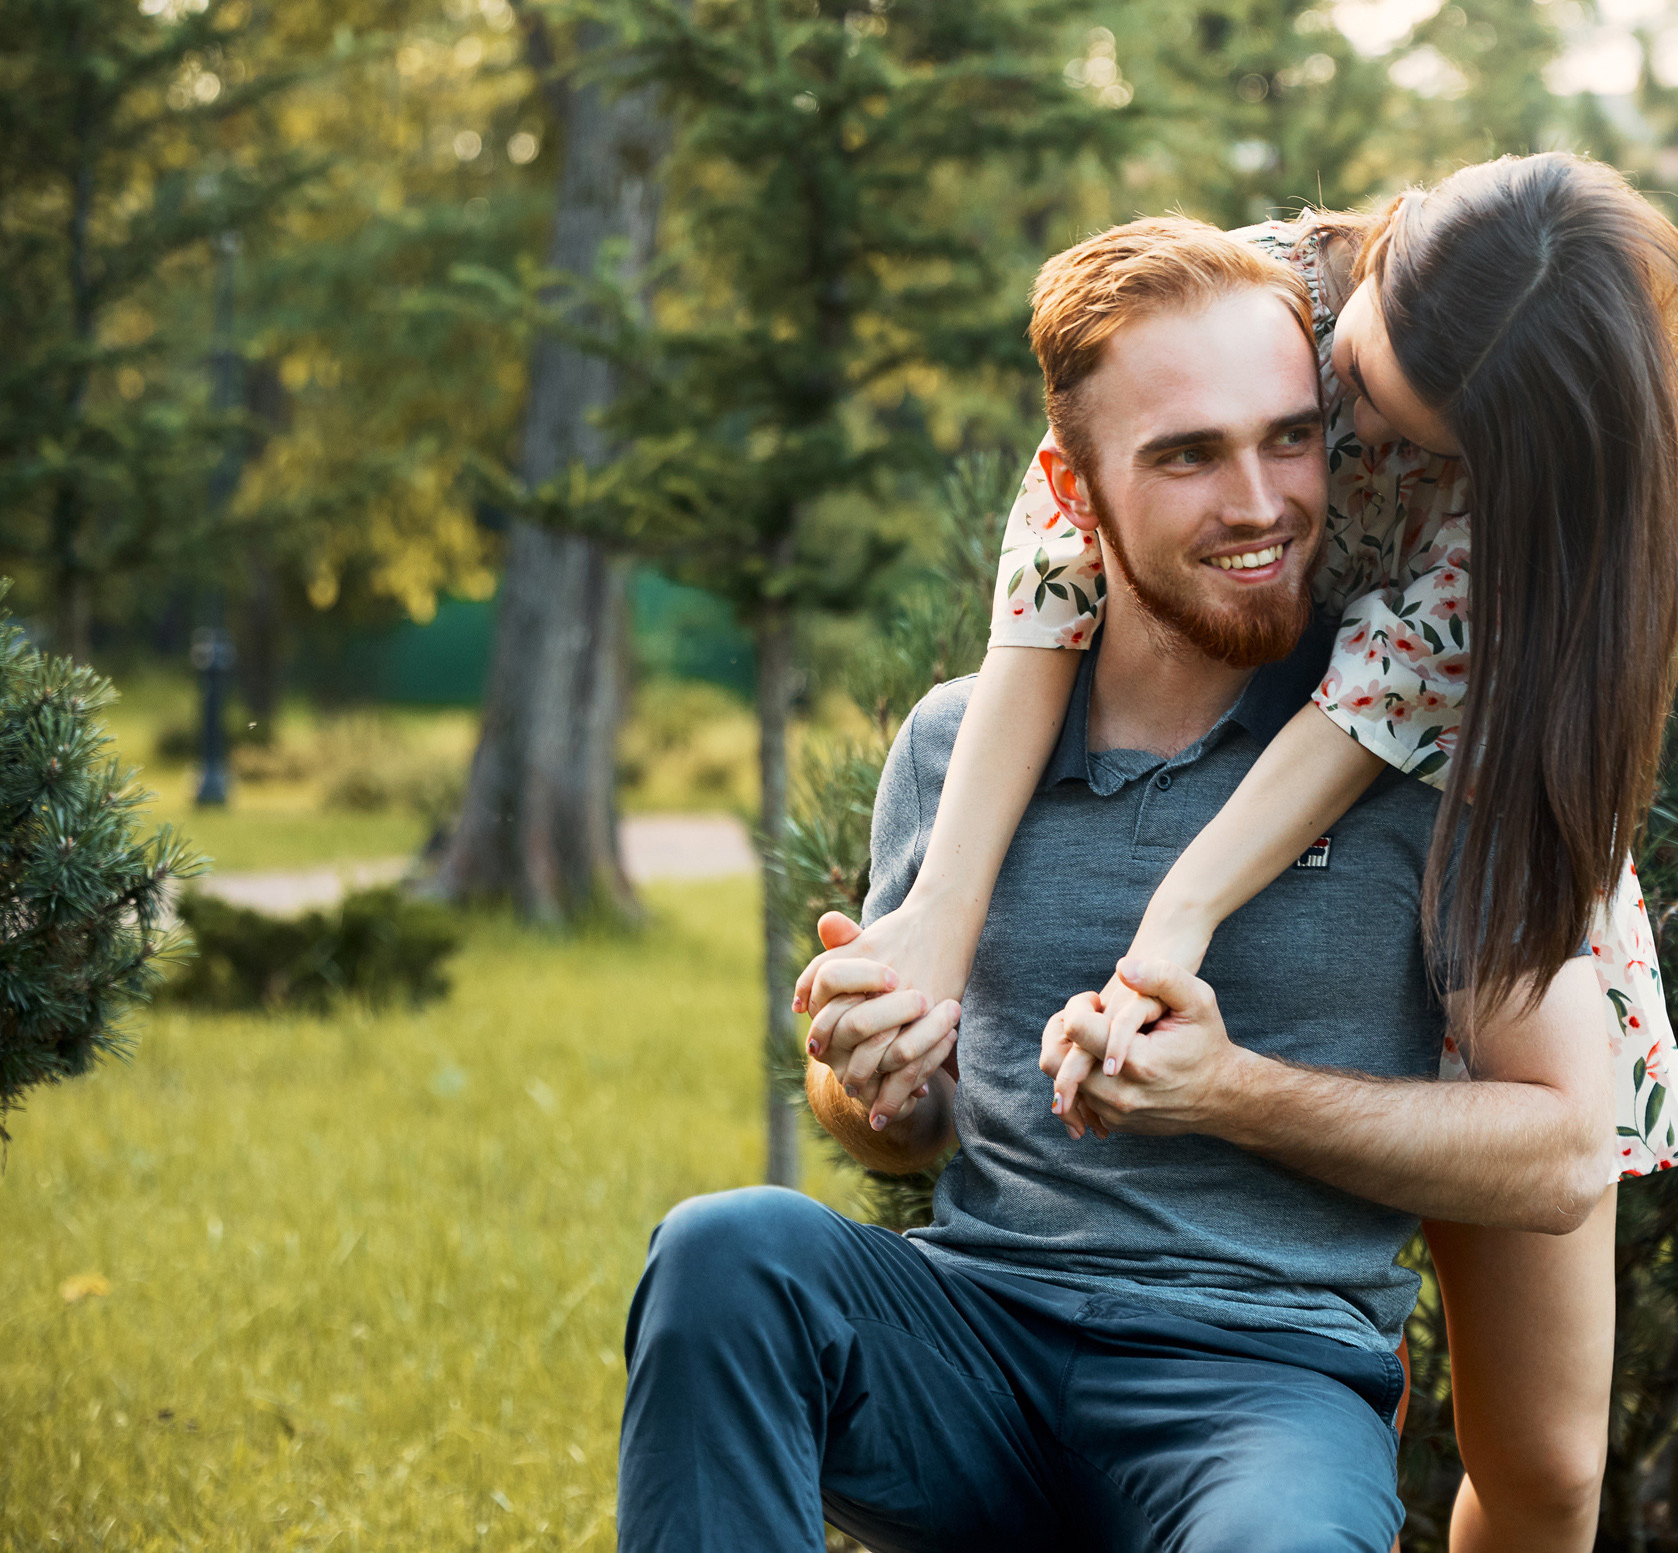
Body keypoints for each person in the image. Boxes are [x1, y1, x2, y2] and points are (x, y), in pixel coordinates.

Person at [620, 217, 1617, 1552]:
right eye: (1189, 456)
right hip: (977, 1337)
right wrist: (872, 1081)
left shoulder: (1435, 766)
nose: (1262, 503)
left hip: (1258, 1389)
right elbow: (896, 1134)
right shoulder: (955, 747)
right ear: (1073, 497)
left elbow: (1562, 1148)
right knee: (726, 1253)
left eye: (1288, 436)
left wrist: (1235, 1091)